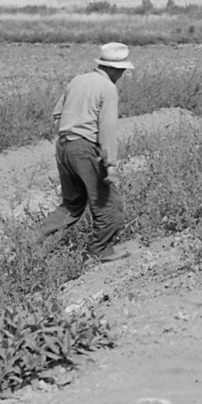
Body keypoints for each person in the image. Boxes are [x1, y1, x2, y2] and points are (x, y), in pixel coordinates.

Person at [38, 42, 131, 261]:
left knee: (72, 204)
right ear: (114, 69)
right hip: (84, 147)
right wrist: (110, 165)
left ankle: (29, 241)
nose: (123, 74)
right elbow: (107, 129)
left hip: (64, 147)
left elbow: (57, 115)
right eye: (123, 70)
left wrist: (70, 136)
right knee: (110, 204)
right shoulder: (108, 88)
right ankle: (99, 250)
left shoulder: (77, 80)